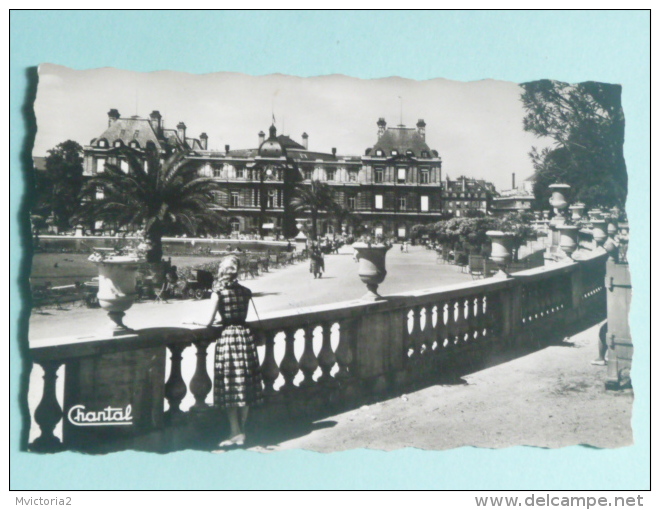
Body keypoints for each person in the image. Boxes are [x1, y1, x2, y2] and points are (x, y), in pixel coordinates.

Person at [206, 256, 264, 447]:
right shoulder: (246, 292)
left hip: (229, 338)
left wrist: (190, 322)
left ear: (221, 273)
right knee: (244, 386)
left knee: (230, 386)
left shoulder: (218, 292)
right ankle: (242, 430)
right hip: (245, 336)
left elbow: (207, 321)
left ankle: (234, 431)